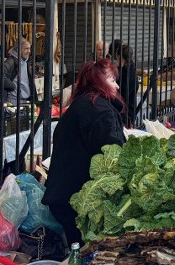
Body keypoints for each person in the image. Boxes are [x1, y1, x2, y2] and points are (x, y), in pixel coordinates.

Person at [42, 59, 126, 244]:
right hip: (77, 199)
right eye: (112, 80)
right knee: (85, 251)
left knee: (80, 248)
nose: (117, 86)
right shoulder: (99, 110)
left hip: (65, 196)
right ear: (99, 82)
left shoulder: (83, 104)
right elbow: (114, 155)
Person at [0, 38, 35, 105]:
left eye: (29, 48)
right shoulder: (11, 61)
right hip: (13, 100)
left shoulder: (25, 61)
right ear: (18, 49)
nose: (29, 51)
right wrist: (12, 86)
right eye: (26, 49)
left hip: (25, 100)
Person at [114, 45, 138, 125]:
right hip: (130, 109)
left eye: (116, 55)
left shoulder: (125, 73)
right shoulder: (131, 69)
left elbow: (121, 94)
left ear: (119, 56)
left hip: (125, 112)